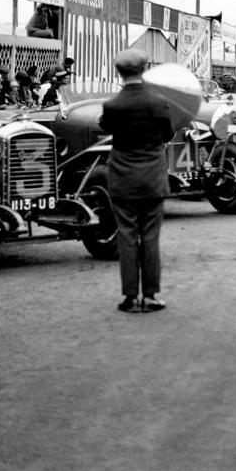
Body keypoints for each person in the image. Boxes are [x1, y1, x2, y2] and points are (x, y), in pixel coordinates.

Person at [100, 48, 175, 313]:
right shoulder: (159, 103)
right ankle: (151, 296)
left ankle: (130, 298)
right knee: (151, 237)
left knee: (127, 237)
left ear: (119, 72)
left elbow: (105, 127)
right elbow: (167, 134)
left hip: (123, 179)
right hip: (153, 178)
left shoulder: (112, 106)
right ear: (144, 69)